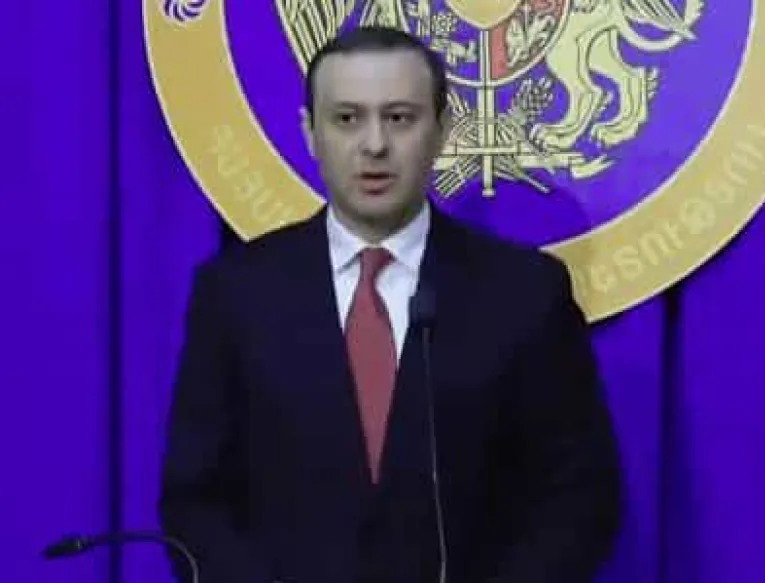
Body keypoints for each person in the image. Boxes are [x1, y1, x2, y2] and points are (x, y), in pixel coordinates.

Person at [158, 25, 622, 583]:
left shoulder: (523, 293)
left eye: (399, 118)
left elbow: (579, 498)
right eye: (347, 118)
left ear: (442, 130)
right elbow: (195, 498)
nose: (374, 145)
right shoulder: (238, 293)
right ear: (310, 133)